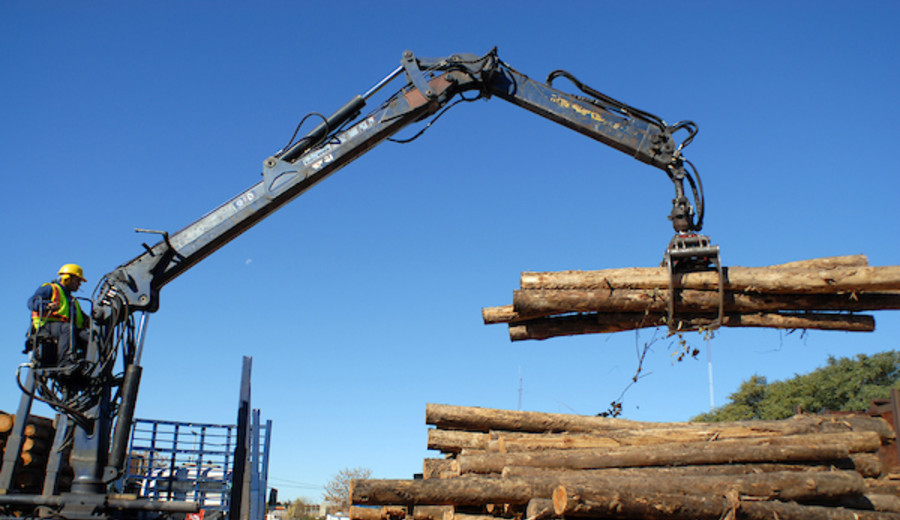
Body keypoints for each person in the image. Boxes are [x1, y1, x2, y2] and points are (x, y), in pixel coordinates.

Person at [26, 263, 90, 367]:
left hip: (65, 329)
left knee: (90, 338)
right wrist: (47, 306)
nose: (80, 284)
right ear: (67, 278)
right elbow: (32, 302)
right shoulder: (50, 289)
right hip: (46, 327)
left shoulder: (73, 301)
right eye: (78, 280)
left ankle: (84, 365)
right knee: (67, 329)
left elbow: (83, 318)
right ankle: (64, 363)